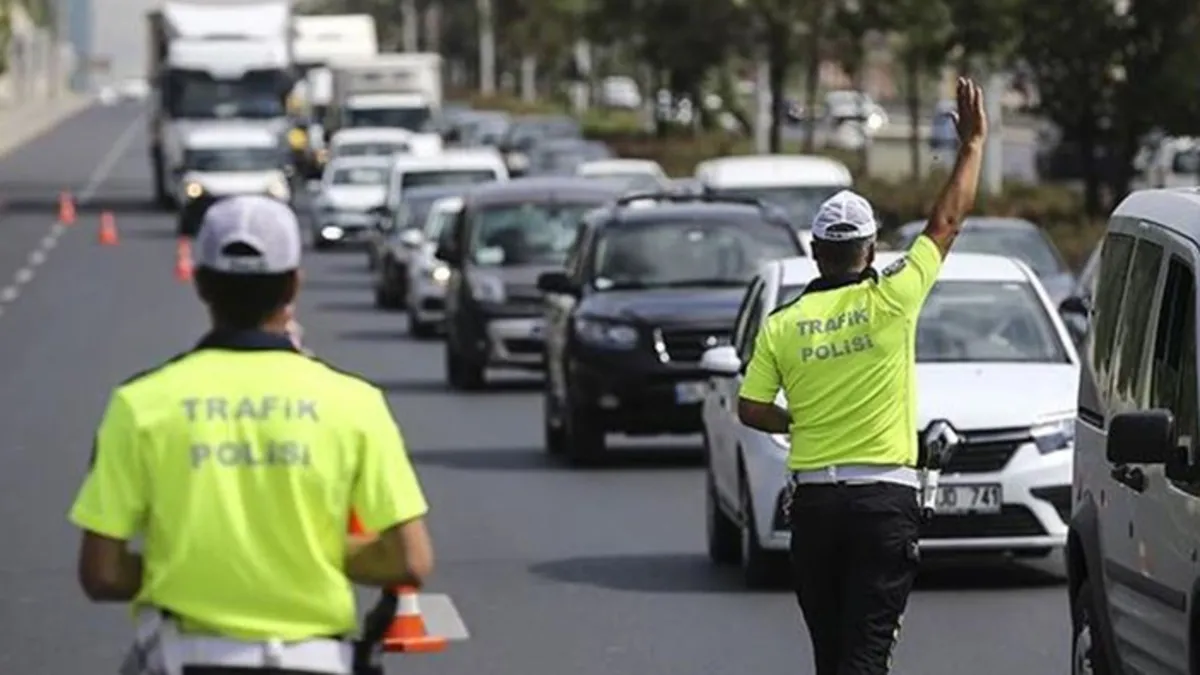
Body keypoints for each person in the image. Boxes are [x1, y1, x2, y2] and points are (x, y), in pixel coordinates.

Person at [68, 194, 434, 675]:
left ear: (201, 283)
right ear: (294, 284)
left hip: (185, 659)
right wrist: (308, 553)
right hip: (317, 661)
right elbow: (410, 560)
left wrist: (189, 566)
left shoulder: (140, 404)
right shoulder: (354, 403)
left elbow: (101, 573)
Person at [735, 77, 988, 675]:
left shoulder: (782, 324)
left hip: (816, 508)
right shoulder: (894, 298)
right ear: (870, 251)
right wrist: (972, 146)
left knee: (832, 658)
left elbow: (750, 407)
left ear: (816, 252)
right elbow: (946, 222)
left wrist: (797, 420)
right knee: (865, 658)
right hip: (883, 505)